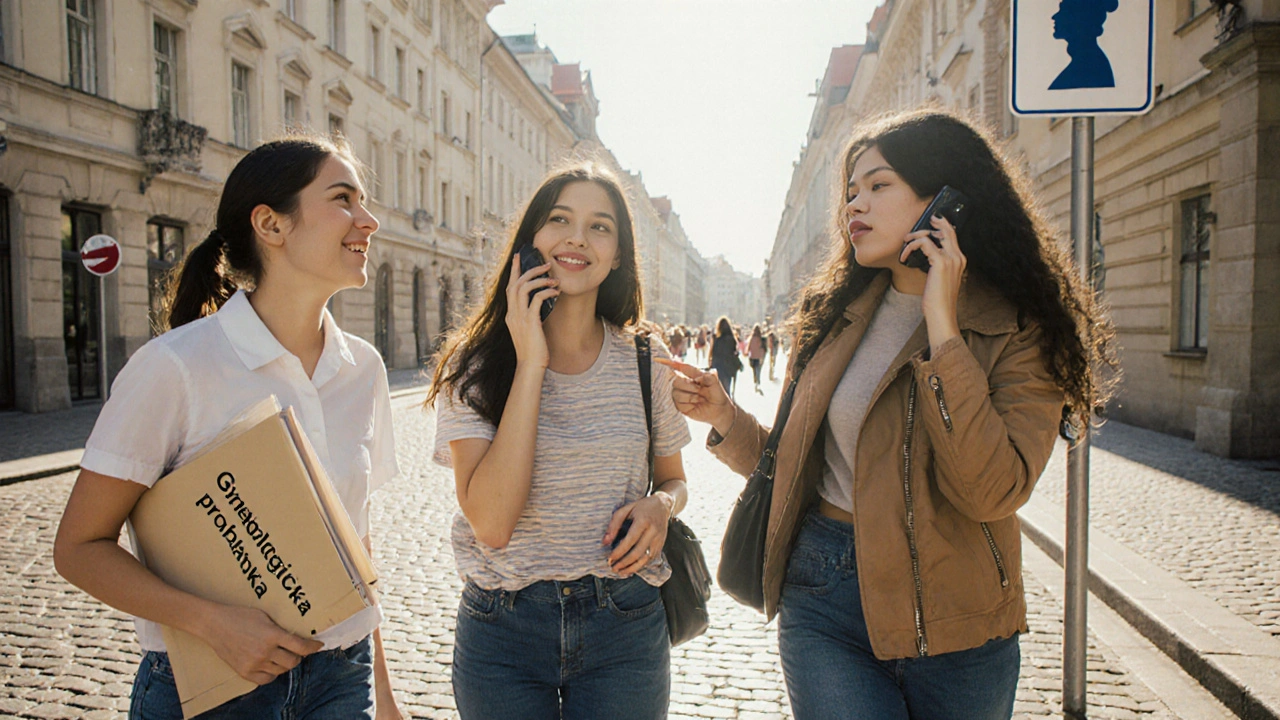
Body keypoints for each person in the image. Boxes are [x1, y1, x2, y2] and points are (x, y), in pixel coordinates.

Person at [660, 109, 1116, 720]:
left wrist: (944, 328)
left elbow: (992, 490)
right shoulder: (833, 313)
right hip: (823, 593)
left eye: (879, 186)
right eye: (851, 191)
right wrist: (724, 416)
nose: (855, 206)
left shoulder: (1016, 328)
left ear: (947, 202)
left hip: (956, 614)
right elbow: (792, 464)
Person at [53, 136, 404, 720]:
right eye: (343, 198)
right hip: (214, 687)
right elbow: (79, 548)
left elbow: (351, 546)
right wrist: (212, 623)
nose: (367, 221)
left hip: (343, 678)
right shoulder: (175, 367)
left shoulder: (363, 368)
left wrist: (386, 702)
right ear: (270, 224)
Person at [425, 161, 692, 720]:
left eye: (600, 226)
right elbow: (492, 523)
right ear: (531, 241)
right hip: (504, 633)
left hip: (624, 623)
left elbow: (674, 479)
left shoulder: (646, 359)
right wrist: (531, 364)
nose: (576, 237)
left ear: (618, 254)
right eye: (559, 219)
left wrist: (661, 505)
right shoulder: (474, 369)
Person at [707, 316, 741, 397]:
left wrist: (710, 364)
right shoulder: (732, 339)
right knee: (726, 390)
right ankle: (727, 405)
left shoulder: (716, 338)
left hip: (717, 367)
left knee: (717, 390)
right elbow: (734, 352)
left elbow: (712, 353)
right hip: (728, 368)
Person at [746, 324, 766, 394]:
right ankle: (758, 382)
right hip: (759, 356)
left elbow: (748, 347)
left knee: (754, 370)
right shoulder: (760, 338)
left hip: (752, 357)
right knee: (758, 370)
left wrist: (747, 353)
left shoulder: (751, 338)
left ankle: (755, 381)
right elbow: (762, 348)